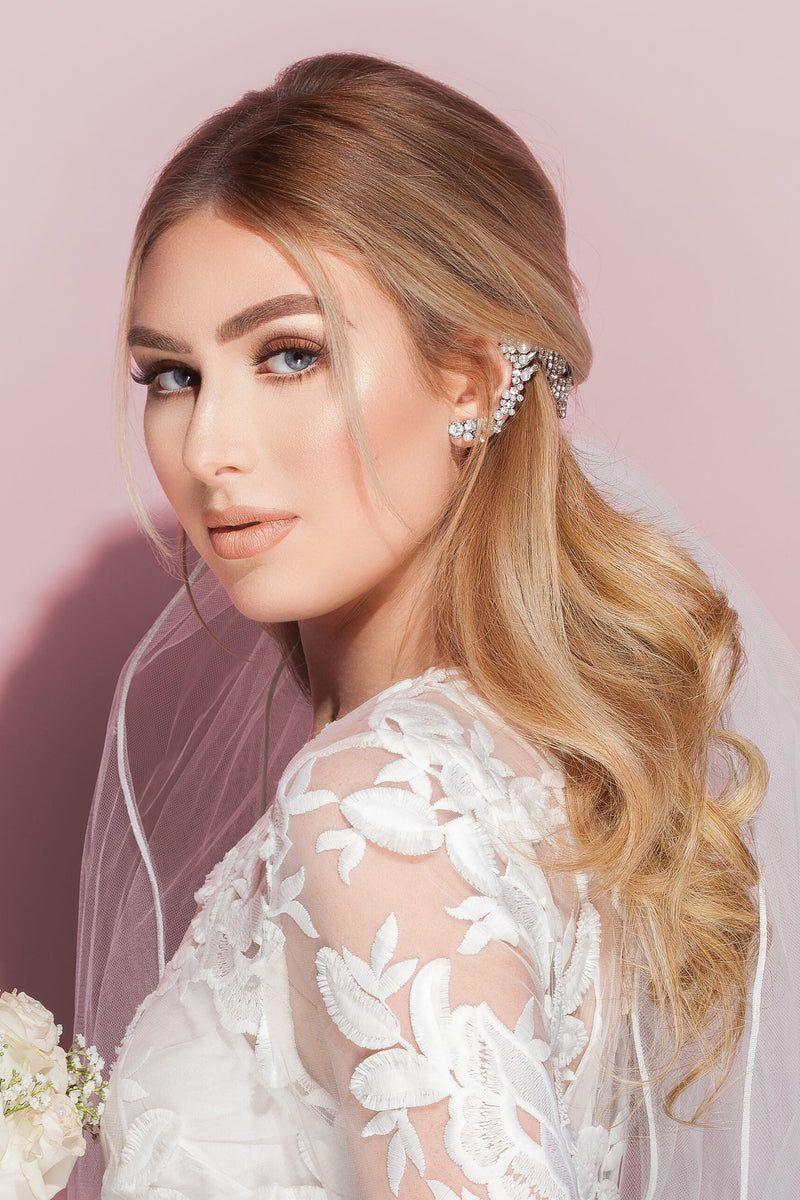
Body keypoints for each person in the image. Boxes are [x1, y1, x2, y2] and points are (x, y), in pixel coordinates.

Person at [68, 52, 800, 1200]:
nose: (207, 450)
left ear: (466, 379)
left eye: (290, 355)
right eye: (171, 376)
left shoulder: (378, 803)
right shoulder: (521, 777)